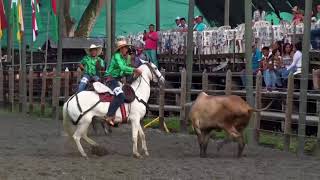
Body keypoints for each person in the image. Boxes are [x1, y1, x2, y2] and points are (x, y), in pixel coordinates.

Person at [104, 40, 142, 125]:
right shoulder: (117, 56)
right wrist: (134, 69)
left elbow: (124, 71)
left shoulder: (123, 58)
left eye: (126, 47)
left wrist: (133, 73)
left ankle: (119, 115)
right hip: (110, 79)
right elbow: (122, 68)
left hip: (116, 79)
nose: (127, 49)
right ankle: (109, 116)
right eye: (125, 47)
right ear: (121, 49)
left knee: (125, 93)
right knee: (121, 95)